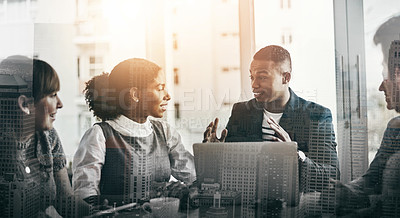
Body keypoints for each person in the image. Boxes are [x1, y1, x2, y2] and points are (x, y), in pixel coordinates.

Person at [204, 45, 340, 195]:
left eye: (262, 77)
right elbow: (229, 171)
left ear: (285, 77)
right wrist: (215, 154)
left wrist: (296, 157)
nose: (254, 85)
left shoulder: (316, 116)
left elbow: (331, 176)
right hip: (249, 202)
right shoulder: (241, 112)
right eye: (252, 77)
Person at [72, 58, 196, 209]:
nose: (168, 96)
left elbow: (194, 178)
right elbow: (85, 197)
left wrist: (208, 157)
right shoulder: (99, 135)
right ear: (135, 94)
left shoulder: (165, 132)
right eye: (160, 88)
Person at [335, 16, 400, 217]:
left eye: (385, 72)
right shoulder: (395, 127)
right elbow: (371, 181)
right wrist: (346, 191)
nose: (381, 85)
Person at [0, 57, 72, 217]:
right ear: (25, 104)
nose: (60, 104)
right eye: (53, 95)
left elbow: (67, 200)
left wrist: (100, 211)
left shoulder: (49, 137)